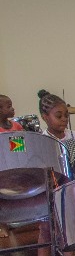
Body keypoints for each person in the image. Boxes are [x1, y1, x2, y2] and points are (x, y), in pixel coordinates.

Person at [34, 90, 75, 256]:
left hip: (70, 187)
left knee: (70, 227)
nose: (64, 119)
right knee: (46, 230)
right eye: (58, 116)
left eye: (66, 115)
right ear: (45, 117)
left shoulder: (74, 137)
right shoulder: (41, 140)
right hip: (48, 190)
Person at [0, 94, 22, 238]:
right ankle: (3, 225)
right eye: (9, 107)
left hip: (15, 164)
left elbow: (20, 149)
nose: (13, 109)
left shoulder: (16, 126)